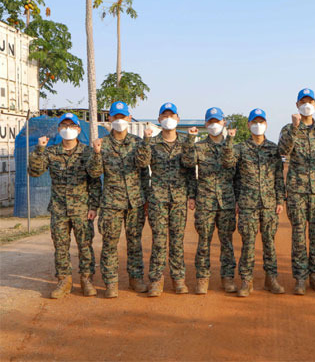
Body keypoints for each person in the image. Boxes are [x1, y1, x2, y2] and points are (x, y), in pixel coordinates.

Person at [28, 112, 101, 298]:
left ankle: (86, 280)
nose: (67, 129)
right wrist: (39, 149)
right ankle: (64, 281)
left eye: (71, 126)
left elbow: (94, 180)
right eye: (64, 126)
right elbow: (35, 171)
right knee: (60, 247)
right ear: (59, 129)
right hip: (59, 209)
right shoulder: (51, 152)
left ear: (78, 129)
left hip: (82, 210)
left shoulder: (87, 152)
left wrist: (93, 206)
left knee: (85, 245)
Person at [278, 88, 315, 295]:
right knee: (298, 235)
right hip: (296, 190)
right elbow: (283, 151)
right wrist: (295, 128)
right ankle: (300, 278)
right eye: (303, 101)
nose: (306, 104)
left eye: (310, 101)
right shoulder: (288, 129)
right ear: (297, 105)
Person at [88, 101, 150, 298]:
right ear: (110, 119)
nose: (119, 120)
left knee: (134, 242)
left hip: (135, 202)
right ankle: (111, 282)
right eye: (116, 117)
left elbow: (144, 169)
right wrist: (97, 154)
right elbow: (94, 174)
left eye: (123, 117)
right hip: (111, 203)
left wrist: (146, 198)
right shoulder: (102, 144)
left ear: (129, 119)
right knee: (110, 244)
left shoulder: (138, 143)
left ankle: (136, 278)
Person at [222, 108, 285, 297]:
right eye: (254, 122)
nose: (258, 125)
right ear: (248, 125)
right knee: (248, 243)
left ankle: (271, 279)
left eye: (261, 122)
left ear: (266, 124)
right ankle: (246, 280)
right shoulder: (240, 148)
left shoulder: (274, 149)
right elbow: (230, 169)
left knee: (269, 243)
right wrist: (230, 140)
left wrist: (280, 199)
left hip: (269, 203)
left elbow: (279, 177)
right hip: (247, 203)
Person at [138, 102, 195, 297]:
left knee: (177, 240)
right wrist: (145, 141)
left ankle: (178, 278)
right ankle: (156, 279)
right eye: (165, 116)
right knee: (159, 240)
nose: (168, 119)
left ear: (178, 119)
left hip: (179, 198)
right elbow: (142, 164)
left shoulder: (185, 143)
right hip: (158, 198)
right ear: (159, 119)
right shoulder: (151, 143)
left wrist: (192, 195)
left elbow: (189, 170)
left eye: (172, 115)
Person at [182, 107, 237, 294]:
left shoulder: (232, 146)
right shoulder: (198, 147)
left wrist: (229, 141)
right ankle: (202, 278)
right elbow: (188, 165)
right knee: (204, 242)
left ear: (224, 123)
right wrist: (190, 139)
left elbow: (234, 169)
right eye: (211, 122)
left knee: (227, 242)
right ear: (206, 124)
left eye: (217, 121)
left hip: (227, 201)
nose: (214, 125)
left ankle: (228, 277)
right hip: (205, 201)